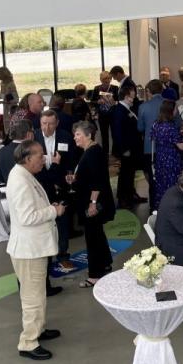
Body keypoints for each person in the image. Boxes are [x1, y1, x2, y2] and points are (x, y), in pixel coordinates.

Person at [6, 140, 66, 361]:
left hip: (33, 247)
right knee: (32, 298)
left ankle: (38, 329)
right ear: (27, 158)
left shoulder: (22, 174)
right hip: (29, 250)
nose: (44, 158)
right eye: (40, 155)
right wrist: (54, 211)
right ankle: (28, 342)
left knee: (37, 293)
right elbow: (27, 217)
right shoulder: (20, 180)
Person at [69, 121, 116, 285]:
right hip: (92, 200)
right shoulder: (90, 151)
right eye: (75, 134)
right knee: (97, 234)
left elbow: (97, 181)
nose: (75, 138)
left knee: (92, 237)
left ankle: (95, 275)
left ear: (89, 135)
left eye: (78, 134)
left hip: (94, 203)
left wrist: (93, 203)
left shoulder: (93, 153)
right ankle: (105, 263)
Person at [36, 109, 75, 273]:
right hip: (41, 187)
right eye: (44, 123)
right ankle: (45, 258)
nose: (47, 127)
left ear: (57, 123)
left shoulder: (65, 136)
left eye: (50, 124)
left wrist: (68, 177)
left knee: (63, 222)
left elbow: (71, 161)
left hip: (61, 186)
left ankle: (63, 255)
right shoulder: (35, 137)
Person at [112, 82, 146, 209]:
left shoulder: (127, 108)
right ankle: (122, 198)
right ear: (126, 97)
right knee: (125, 173)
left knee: (130, 173)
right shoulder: (119, 111)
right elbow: (117, 133)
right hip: (126, 149)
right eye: (133, 96)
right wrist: (123, 149)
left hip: (133, 148)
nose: (135, 98)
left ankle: (131, 194)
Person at [138, 79, 167, 210]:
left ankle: (154, 208)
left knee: (152, 178)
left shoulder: (143, 107)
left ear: (148, 91)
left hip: (150, 147)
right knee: (167, 177)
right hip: (168, 147)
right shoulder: (170, 104)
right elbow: (178, 124)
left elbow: (140, 128)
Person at [151, 100, 183, 207]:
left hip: (160, 157)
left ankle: (162, 206)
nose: (177, 110)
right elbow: (182, 147)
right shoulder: (171, 127)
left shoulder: (155, 124)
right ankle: (173, 206)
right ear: (170, 111)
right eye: (175, 108)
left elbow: (153, 138)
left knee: (161, 183)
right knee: (173, 183)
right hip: (172, 158)